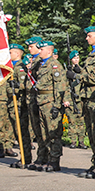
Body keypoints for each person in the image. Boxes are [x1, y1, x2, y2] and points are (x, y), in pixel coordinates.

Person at [73, 26, 95, 179]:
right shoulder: (91, 55)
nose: (87, 39)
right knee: (91, 133)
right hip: (88, 98)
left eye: (89, 36)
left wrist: (79, 73)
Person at [30, 40, 68, 171]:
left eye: (41, 49)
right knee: (43, 132)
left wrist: (57, 106)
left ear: (49, 51)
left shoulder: (54, 65)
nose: (39, 51)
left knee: (53, 133)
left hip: (50, 102)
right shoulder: (40, 65)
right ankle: (45, 157)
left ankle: (54, 160)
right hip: (41, 100)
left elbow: (60, 86)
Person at [8, 44, 33, 168]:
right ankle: (24, 157)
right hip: (13, 103)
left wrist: (16, 85)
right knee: (18, 132)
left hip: (19, 104)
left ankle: (25, 157)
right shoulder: (12, 67)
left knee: (22, 131)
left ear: (17, 54)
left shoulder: (20, 67)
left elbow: (24, 85)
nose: (9, 54)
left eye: (11, 52)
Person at [64, 49, 87, 149]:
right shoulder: (67, 71)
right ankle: (73, 141)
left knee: (81, 121)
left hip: (80, 98)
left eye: (77, 58)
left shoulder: (82, 70)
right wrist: (65, 99)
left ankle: (81, 141)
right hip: (70, 97)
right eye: (74, 58)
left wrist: (79, 72)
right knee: (72, 121)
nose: (76, 60)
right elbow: (64, 86)